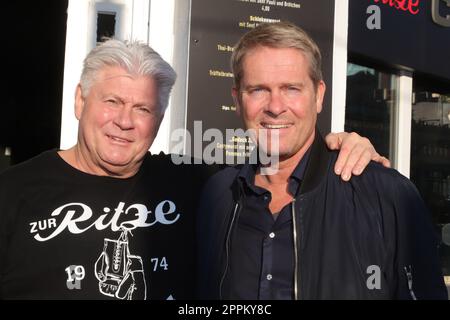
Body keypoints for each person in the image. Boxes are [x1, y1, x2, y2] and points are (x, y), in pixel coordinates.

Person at [0, 39, 385, 300]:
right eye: (113, 101)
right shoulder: (13, 192)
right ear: (81, 101)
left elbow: (283, 157)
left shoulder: (195, 182)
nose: (124, 121)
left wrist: (344, 144)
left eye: (143, 109)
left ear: (159, 117)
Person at [196, 22, 447, 300]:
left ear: (318, 95)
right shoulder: (217, 196)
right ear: (237, 100)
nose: (275, 107)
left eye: (291, 88)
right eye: (258, 90)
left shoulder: (388, 197)